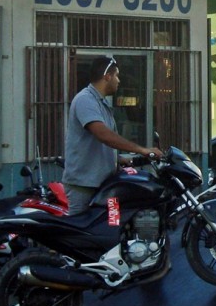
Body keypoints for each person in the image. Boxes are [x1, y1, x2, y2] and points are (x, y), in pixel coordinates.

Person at [62, 55, 157, 215]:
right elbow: (102, 134)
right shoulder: (85, 99)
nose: (119, 80)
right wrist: (142, 149)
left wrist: (117, 159)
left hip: (104, 185)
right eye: (117, 75)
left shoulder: (102, 103)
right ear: (107, 76)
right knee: (81, 235)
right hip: (85, 186)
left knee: (110, 231)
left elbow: (98, 144)